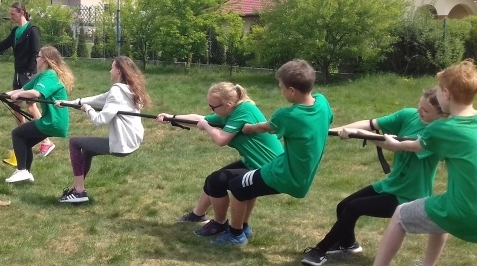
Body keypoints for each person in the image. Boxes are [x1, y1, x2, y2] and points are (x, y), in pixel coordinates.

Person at [341, 59, 477, 266]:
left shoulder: (441, 129)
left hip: (464, 210)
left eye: (439, 90)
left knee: (401, 214)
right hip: (466, 204)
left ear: (446, 93)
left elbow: (409, 146)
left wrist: (389, 141)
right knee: (439, 209)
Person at [301, 88, 445, 266]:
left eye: (426, 110)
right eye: (419, 106)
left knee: (354, 208)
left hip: (409, 194)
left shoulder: (438, 134)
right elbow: (370, 123)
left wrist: (364, 136)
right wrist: (331, 131)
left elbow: (395, 146)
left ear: (442, 114)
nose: (419, 112)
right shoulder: (410, 115)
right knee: (344, 206)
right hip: (392, 184)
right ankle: (348, 244)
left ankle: (320, 250)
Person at [215, 59, 333, 246]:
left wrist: (251, 128)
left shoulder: (287, 115)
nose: (281, 91)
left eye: (282, 87)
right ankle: (243, 227)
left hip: (283, 174)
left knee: (237, 186)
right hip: (302, 175)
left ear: (292, 90)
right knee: (245, 186)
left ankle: (235, 234)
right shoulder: (322, 103)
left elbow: (268, 127)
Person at [157, 82, 284, 239]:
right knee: (215, 180)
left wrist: (208, 128)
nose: (211, 110)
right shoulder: (233, 111)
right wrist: (171, 117)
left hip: (270, 166)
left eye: (213, 107)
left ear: (228, 105)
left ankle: (220, 224)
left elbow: (221, 139)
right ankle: (231, 224)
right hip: (255, 162)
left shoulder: (243, 112)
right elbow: (199, 118)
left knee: (216, 181)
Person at [56, 56, 151, 204]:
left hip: (122, 144)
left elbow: (100, 120)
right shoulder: (129, 89)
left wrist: (88, 110)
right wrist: (68, 103)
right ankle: (76, 189)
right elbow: (97, 99)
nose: (110, 71)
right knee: (87, 151)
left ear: (118, 71)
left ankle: (79, 192)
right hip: (133, 141)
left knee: (74, 142)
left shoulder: (117, 92)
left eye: (112, 68)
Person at [0, 45, 73, 183]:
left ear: (45, 60)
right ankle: (26, 174)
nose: (36, 59)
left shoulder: (50, 75)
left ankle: (22, 170)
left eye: (38, 56)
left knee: (17, 134)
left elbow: (35, 93)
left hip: (53, 121)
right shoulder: (42, 76)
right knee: (25, 142)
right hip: (51, 120)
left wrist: (20, 94)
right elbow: (21, 89)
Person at [0, 2, 55, 163]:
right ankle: (22, 138)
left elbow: (36, 52)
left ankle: (46, 142)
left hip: (28, 75)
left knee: (31, 106)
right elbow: (1, 47)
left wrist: (30, 73)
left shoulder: (32, 30)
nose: (11, 17)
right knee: (15, 105)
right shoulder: (16, 31)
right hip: (17, 74)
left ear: (21, 12)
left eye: (13, 14)